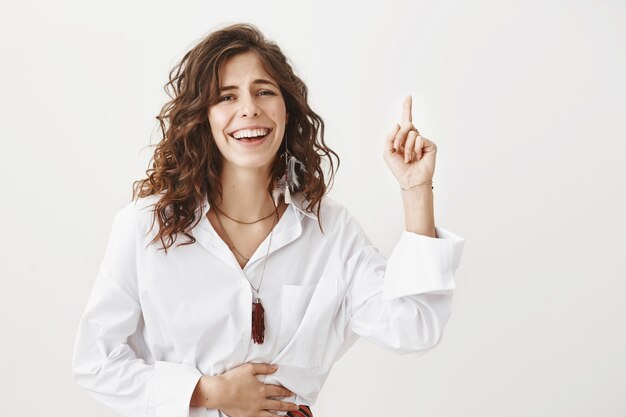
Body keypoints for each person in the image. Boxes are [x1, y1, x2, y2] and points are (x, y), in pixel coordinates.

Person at [71, 23, 465, 417]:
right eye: (226, 96)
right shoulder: (146, 227)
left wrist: (415, 191)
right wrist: (208, 392)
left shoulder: (330, 230)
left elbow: (415, 327)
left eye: (264, 92)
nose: (249, 109)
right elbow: (96, 362)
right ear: (202, 116)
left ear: (286, 109)